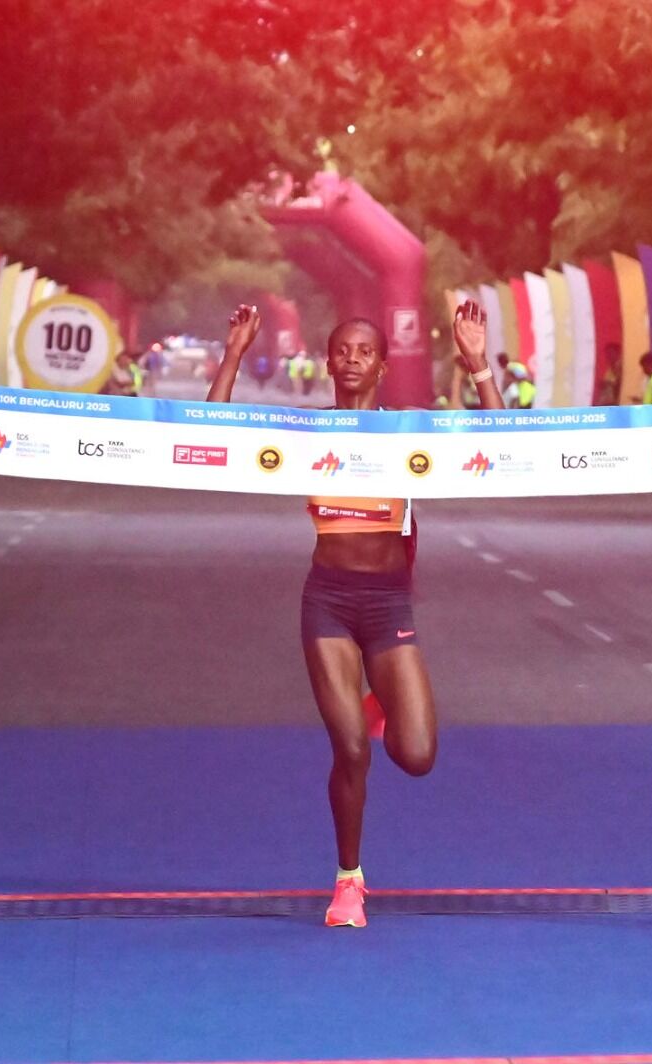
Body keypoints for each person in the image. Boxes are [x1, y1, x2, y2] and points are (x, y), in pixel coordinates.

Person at [207, 299, 504, 928]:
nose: (352, 360)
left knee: (417, 755)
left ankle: (376, 703)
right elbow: (212, 437)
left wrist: (477, 361)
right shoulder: (307, 431)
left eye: (365, 352)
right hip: (329, 603)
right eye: (342, 351)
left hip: (389, 602)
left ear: (382, 367)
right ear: (327, 363)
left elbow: (499, 448)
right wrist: (233, 353)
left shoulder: (409, 430)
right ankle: (348, 881)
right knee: (350, 751)